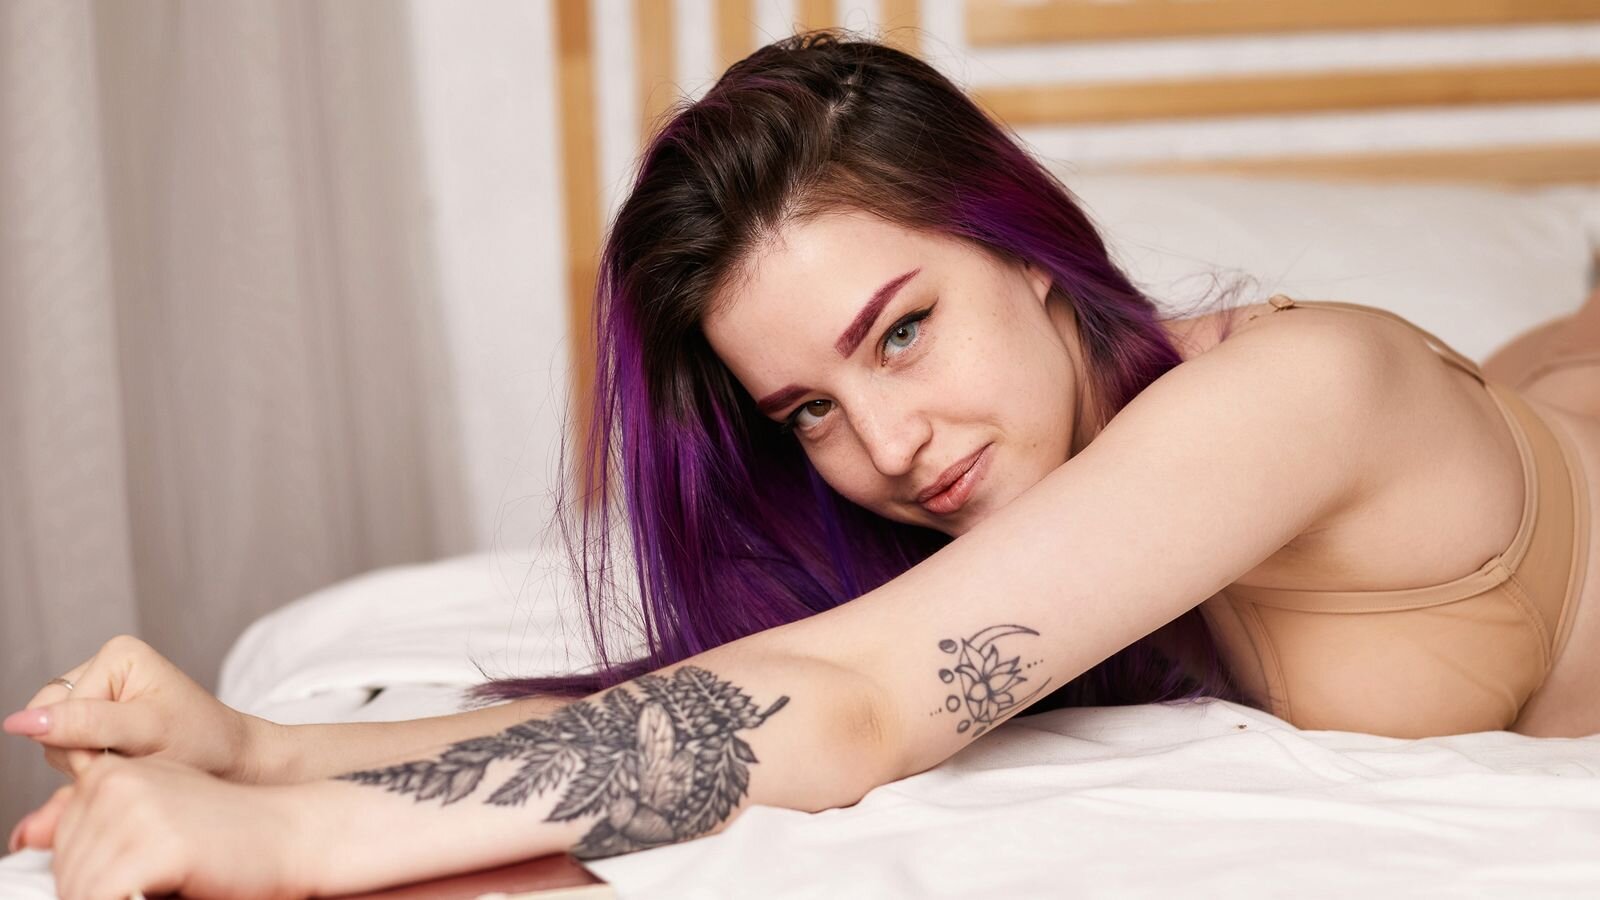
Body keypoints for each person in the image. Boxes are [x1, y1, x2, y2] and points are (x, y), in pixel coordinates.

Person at [6, 31, 1599, 899]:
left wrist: (296, 848)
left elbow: (858, 698)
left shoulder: (1297, 393)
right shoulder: (1086, 475)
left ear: (1027, 251)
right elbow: (776, 680)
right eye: (807, 412)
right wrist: (266, 750)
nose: (888, 448)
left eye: (902, 330)